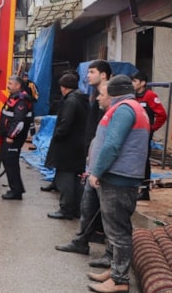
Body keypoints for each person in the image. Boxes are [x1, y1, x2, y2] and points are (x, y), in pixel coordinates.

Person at [86, 75, 150, 292]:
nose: (99, 98)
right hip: (119, 176)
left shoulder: (124, 109)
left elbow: (112, 144)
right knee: (115, 228)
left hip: (118, 178)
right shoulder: (131, 107)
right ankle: (115, 271)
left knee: (118, 231)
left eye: (103, 94)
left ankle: (119, 280)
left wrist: (97, 171)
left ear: (113, 93)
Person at [56, 60, 112, 264]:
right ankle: (82, 241)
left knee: (105, 206)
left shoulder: (110, 97)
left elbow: (109, 135)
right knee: (89, 203)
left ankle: (110, 253)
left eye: (92, 72)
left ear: (104, 75)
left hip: (102, 161)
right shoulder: (95, 95)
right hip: (93, 154)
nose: (87, 76)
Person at [45, 73, 89, 220]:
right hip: (78, 145)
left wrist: (57, 135)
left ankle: (66, 209)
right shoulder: (82, 98)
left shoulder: (71, 101)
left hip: (67, 146)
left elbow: (65, 124)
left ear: (63, 88)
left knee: (65, 179)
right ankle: (77, 209)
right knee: (76, 179)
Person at [131, 71, 167, 200]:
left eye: (135, 81)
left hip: (145, 135)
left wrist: (152, 128)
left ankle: (145, 191)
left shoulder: (150, 96)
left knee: (144, 161)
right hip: (133, 135)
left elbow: (162, 115)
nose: (132, 83)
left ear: (143, 83)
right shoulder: (133, 96)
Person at [0, 75, 34, 200]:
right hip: (9, 136)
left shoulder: (21, 99)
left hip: (13, 138)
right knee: (7, 160)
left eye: (11, 83)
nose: (8, 85)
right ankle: (15, 189)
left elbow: (19, 121)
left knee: (11, 162)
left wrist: (11, 136)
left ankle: (16, 191)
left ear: (18, 86)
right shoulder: (15, 97)